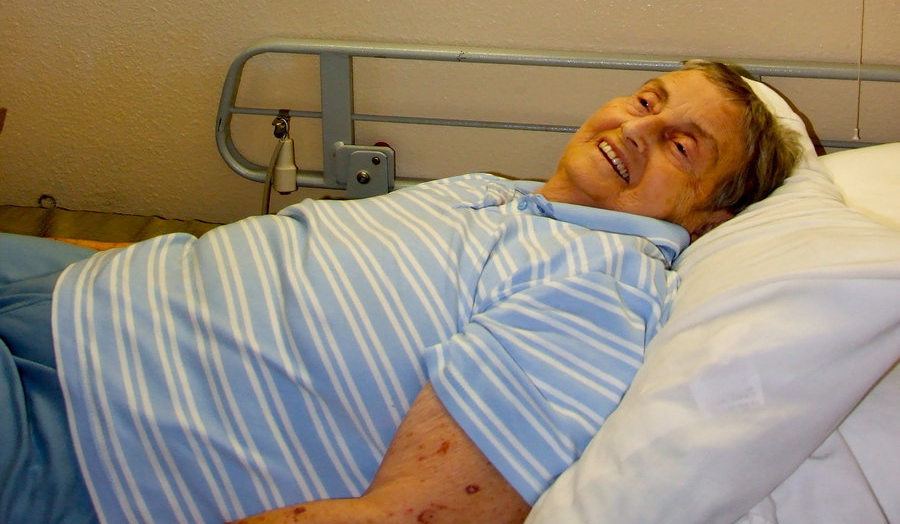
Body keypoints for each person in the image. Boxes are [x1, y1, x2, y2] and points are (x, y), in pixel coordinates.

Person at [1, 60, 804, 524]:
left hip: (85, 439)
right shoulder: (501, 194)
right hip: (70, 291)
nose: (636, 128)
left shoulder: (602, 290)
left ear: (708, 218)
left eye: (681, 145)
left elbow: (412, 518)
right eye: (647, 100)